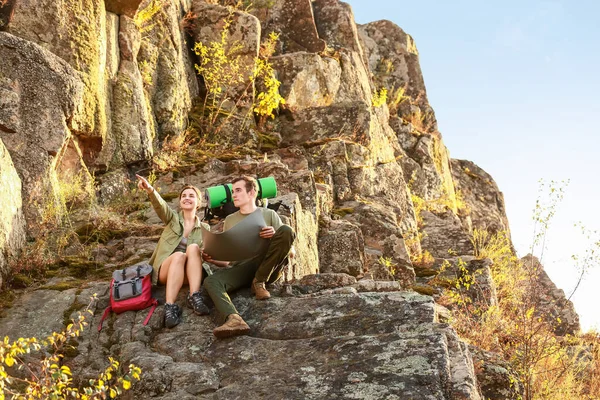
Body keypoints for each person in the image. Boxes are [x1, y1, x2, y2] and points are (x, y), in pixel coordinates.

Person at [203, 176, 295, 338]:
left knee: (286, 230)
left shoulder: (269, 214)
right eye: (232, 192)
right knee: (211, 281)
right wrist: (211, 258)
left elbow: (291, 253)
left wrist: (274, 237)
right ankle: (234, 319)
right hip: (243, 269)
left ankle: (259, 281)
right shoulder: (230, 220)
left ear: (251, 192)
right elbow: (227, 261)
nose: (234, 195)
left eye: (238, 190)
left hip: (268, 268)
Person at [136, 174, 210, 328]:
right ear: (180, 201)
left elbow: (206, 254)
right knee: (179, 255)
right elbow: (160, 206)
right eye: (184, 196)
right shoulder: (173, 219)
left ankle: (194, 296)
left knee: (193, 247)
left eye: (191, 196)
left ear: (198, 202)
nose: (187, 198)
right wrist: (150, 190)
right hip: (167, 271)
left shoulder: (205, 229)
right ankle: (170, 307)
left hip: (189, 273)